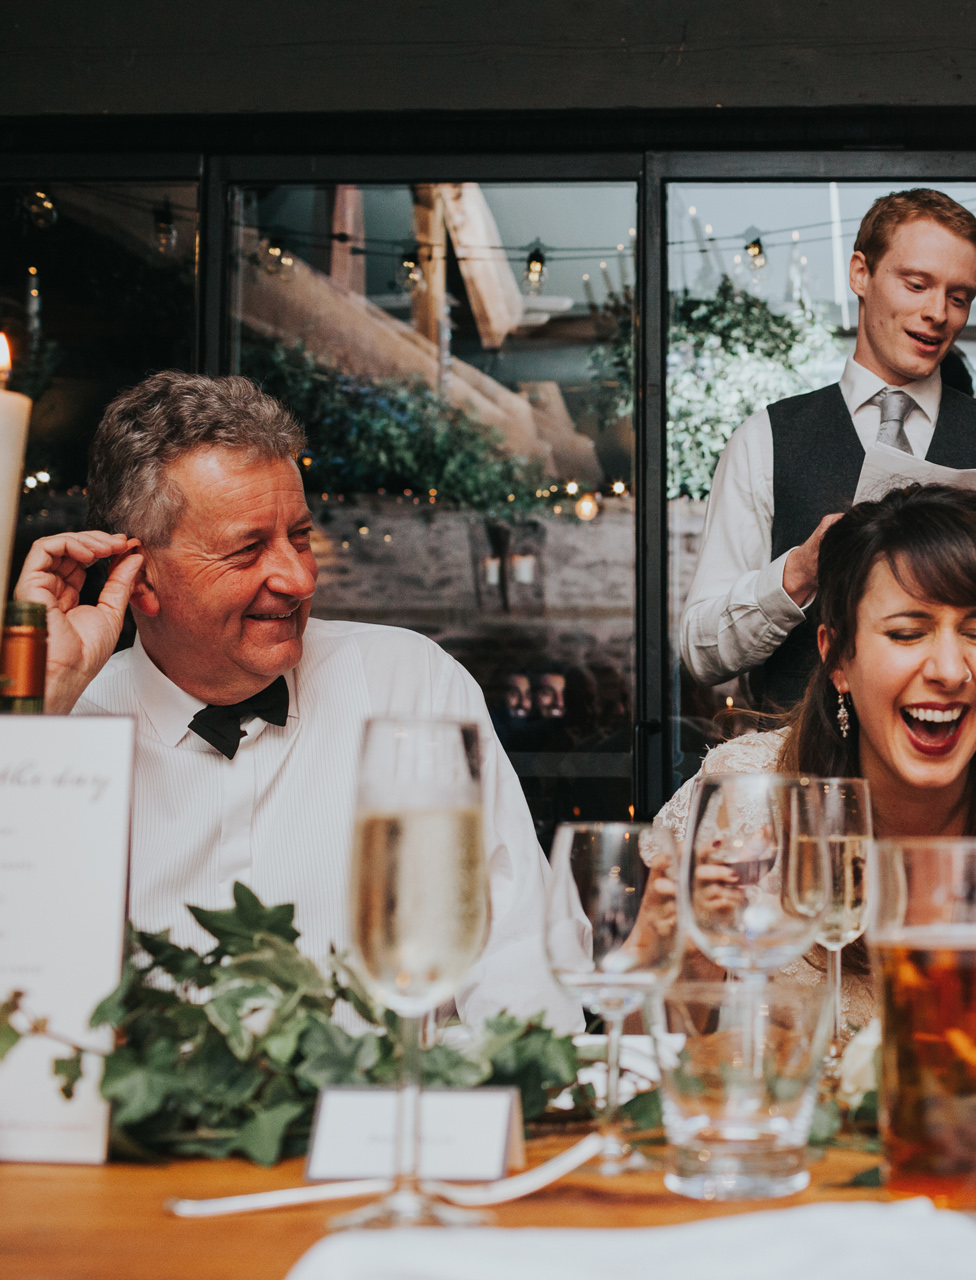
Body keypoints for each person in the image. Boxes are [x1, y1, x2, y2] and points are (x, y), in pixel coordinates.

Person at [14, 371, 584, 1031]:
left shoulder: (410, 687)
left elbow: (524, 961)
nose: (298, 577)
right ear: (137, 577)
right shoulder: (59, 731)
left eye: (301, 536)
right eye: (248, 549)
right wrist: (38, 711)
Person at [656, 483, 976, 1023]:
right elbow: (643, 1060)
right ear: (837, 658)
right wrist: (683, 960)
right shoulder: (743, 795)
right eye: (906, 633)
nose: (950, 671)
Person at [679, 188, 976, 710]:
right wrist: (799, 573)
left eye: (959, 297)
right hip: (806, 782)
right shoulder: (763, 441)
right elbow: (701, 653)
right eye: (916, 284)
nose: (937, 312)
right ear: (860, 274)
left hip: (967, 780)